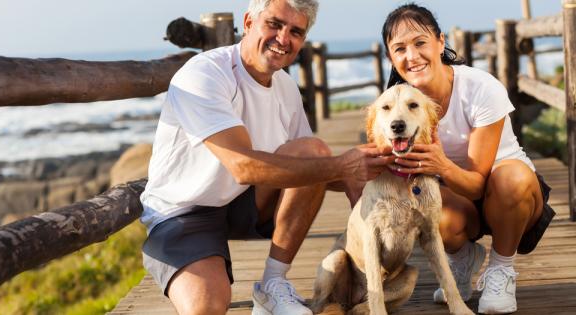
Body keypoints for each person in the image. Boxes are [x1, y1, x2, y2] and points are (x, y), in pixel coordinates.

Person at [139, 0, 395, 314]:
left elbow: (312, 171)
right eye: (274, 24)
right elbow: (243, 167)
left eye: (296, 32)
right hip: (184, 211)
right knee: (206, 307)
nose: (283, 38)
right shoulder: (205, 73)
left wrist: (373, 167)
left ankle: (272, 285)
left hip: (245, 201)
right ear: (248, 22)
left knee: (312, 151)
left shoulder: (286, 87)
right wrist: (344, 165)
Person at [381, 3, 556, 314]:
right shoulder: (398, 102)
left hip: (509, 194)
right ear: (391, 58)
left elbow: (477, 184)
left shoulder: (480, 88)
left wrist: (441, 164)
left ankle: (501, 269)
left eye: (420, 43)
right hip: (455, 196)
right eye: (399, 49)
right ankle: (462, 260)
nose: (412, 56)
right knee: (422, 203)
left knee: (509, 178)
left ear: (440, 42)